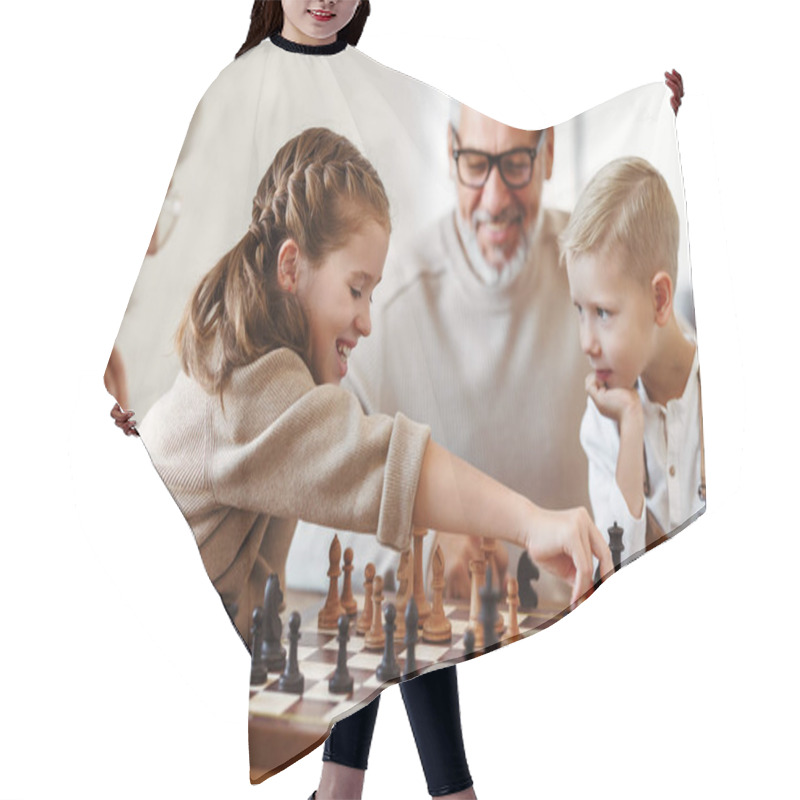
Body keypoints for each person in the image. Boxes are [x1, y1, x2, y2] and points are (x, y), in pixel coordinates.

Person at [560, 156, 704, 560]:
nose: (586, 342)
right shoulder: (602, 424)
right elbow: (617, 567)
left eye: (603, 313)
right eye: (579, 310)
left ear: (659, 299)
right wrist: (630, 424)